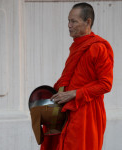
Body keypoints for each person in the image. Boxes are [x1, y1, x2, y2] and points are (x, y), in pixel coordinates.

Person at [40, 2, 114, 150]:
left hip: (87, 112)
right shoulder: (78, 46)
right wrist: (51, 98)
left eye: (73, 21)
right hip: (67, 110)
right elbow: (68, 78)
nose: (69, 25)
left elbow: (106, 84)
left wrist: (75, 94)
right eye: (68, 20)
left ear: (88, 22)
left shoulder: (98, 47)